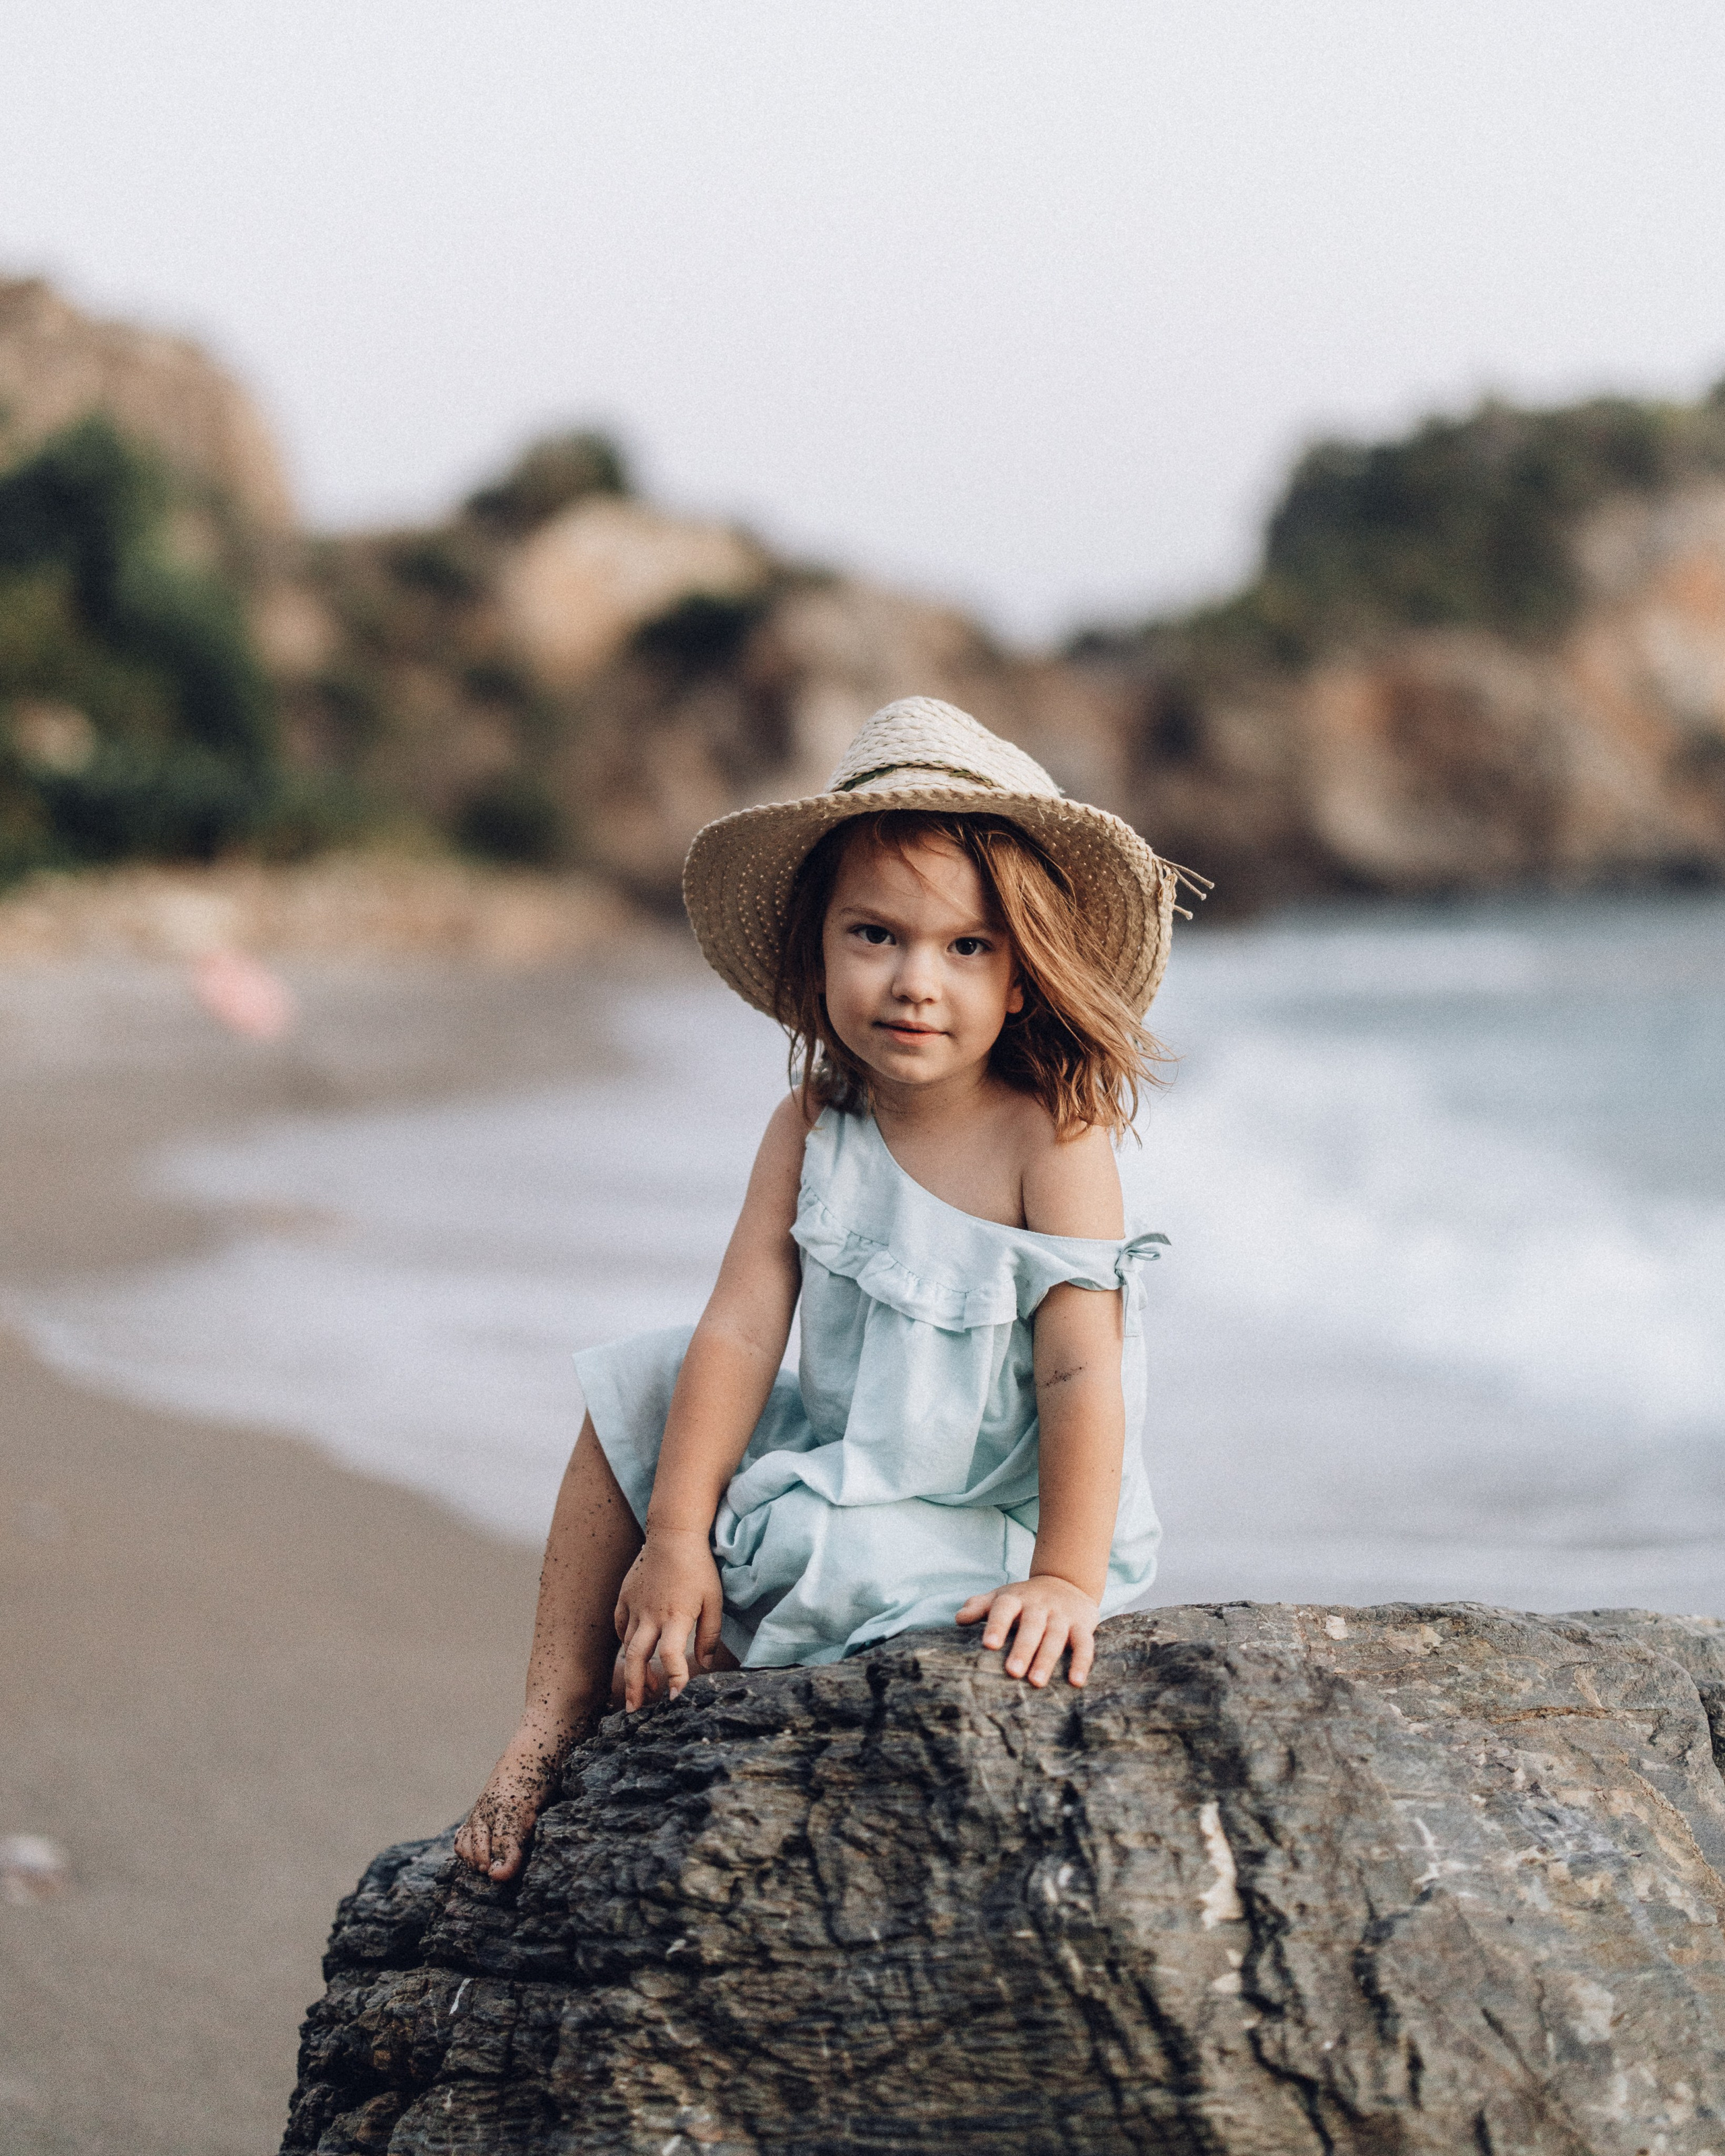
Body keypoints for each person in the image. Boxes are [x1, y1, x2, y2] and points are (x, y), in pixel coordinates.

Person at [457, 696, 1203, 1881]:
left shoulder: (1053, 1140)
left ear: (1023, 980)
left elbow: (1081, 1369)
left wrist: (1064, 1576)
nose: (917, 981)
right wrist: (676, 1532)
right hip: (854, 1446)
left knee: (821, 1544)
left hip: (986, 1518)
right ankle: (549, 1723)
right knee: (639, 1388)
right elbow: (745, 1328)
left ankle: (705, 1671)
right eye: (876, 936)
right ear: (820, 947)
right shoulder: (813, 1123)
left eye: (966, 948)